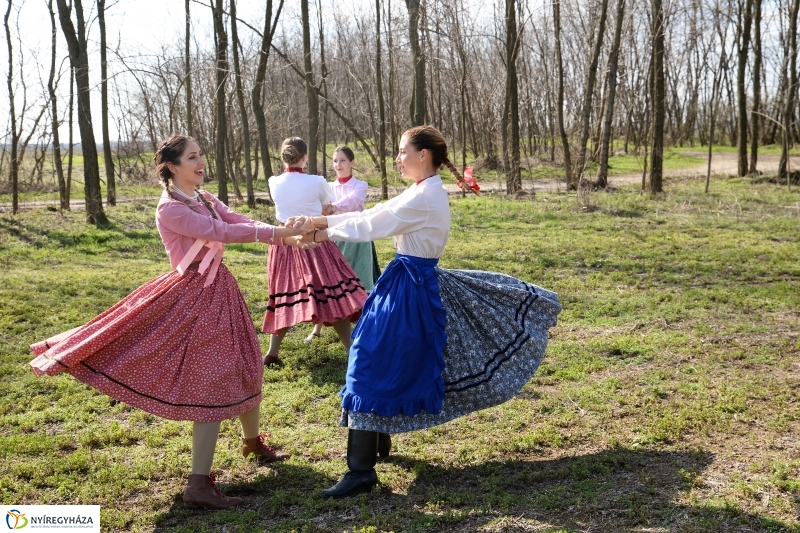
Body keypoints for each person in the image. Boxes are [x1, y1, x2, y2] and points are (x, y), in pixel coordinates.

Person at [29, 135, 312, 510]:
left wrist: (287, 240)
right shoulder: (170, 209)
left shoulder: (204, 198)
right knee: (211, 381)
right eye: (192, 157)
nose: (201, 162)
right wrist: (281, 233)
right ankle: (198, 484)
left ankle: (251, 442)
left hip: (219, 290)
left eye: (201, 155)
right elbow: (222, 233)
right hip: (192, 297)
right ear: (173, 166)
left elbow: (236, 219)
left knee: (245, 361)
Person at [298, 126, 562, 498]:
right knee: (373, 358)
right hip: (403, 283)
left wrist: (320, 227)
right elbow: (378, 211)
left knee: (368, 362)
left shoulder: (426, 196)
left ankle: (361, 470)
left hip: (411, 290)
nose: (397, 158)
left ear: (424, 155)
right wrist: (320, 224)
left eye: (403, 151)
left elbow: (373, 224)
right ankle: (374, 440)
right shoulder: (421, 190)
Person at [261, 137, 368, 365]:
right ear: (304, 157)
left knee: (282, 294)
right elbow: (324, 204)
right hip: (313, 240)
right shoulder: (317, 181)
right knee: (331, 294)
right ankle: (351, 350)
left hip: (284, 242)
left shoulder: (273, 181)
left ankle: (272, 352)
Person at [304, 146, 381, 344]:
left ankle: (367, 327)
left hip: (357, 240)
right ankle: (317, 328)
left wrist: (334, 207)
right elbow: (319, 208)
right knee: (328, 282)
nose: (338, 165)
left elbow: (353, 201)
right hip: (332, 239)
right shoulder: (327, 187)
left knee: (361, 281)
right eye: (335, 161)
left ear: (352, 162)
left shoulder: (360, 185)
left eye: (343, 160)